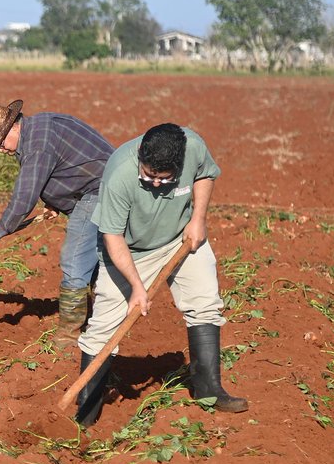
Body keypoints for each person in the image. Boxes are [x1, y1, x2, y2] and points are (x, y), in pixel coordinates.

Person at [72, 122, 248, 426]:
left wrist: (198, 219)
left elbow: (205, 174)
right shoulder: (119, 174)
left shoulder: (192, 146)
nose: (154, 183)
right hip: (130, 251)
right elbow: (112, 237)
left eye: (162, 179)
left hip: (180, 237)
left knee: (204, 301)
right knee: (103, 326)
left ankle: (209, 390)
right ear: (141, 154)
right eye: (148, 175)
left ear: (178, 165)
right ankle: (86, 411)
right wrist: (137, 288)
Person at [0, 100, 114, 350]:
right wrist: (56, 201)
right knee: (93, 259)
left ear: (13, 128)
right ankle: (103, 318)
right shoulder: (38, 127)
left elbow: (25, 194)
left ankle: (70, 336)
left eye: (0, 143)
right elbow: (66, 165)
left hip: (100, 190)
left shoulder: (37, 144)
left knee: (74, 258)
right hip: (97, 187)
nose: (2, 150)